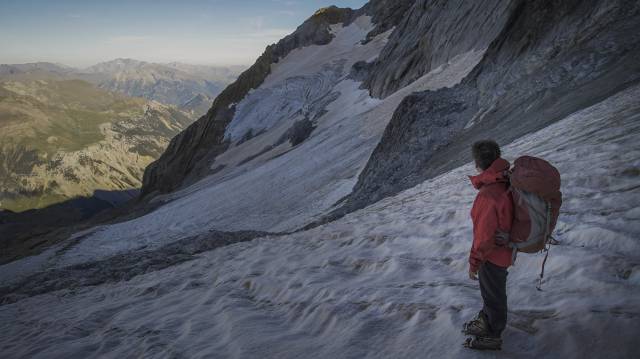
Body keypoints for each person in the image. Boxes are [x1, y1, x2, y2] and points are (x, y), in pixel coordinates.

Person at [462, 140, 514, 350]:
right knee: (492, 291)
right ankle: (487, 320)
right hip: (503, 250)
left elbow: (484, 237)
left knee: (493, 294)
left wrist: (474, 263)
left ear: (478, 163)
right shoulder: (504, 181)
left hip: (492, 255)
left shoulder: (488, 195)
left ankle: (493, 334)